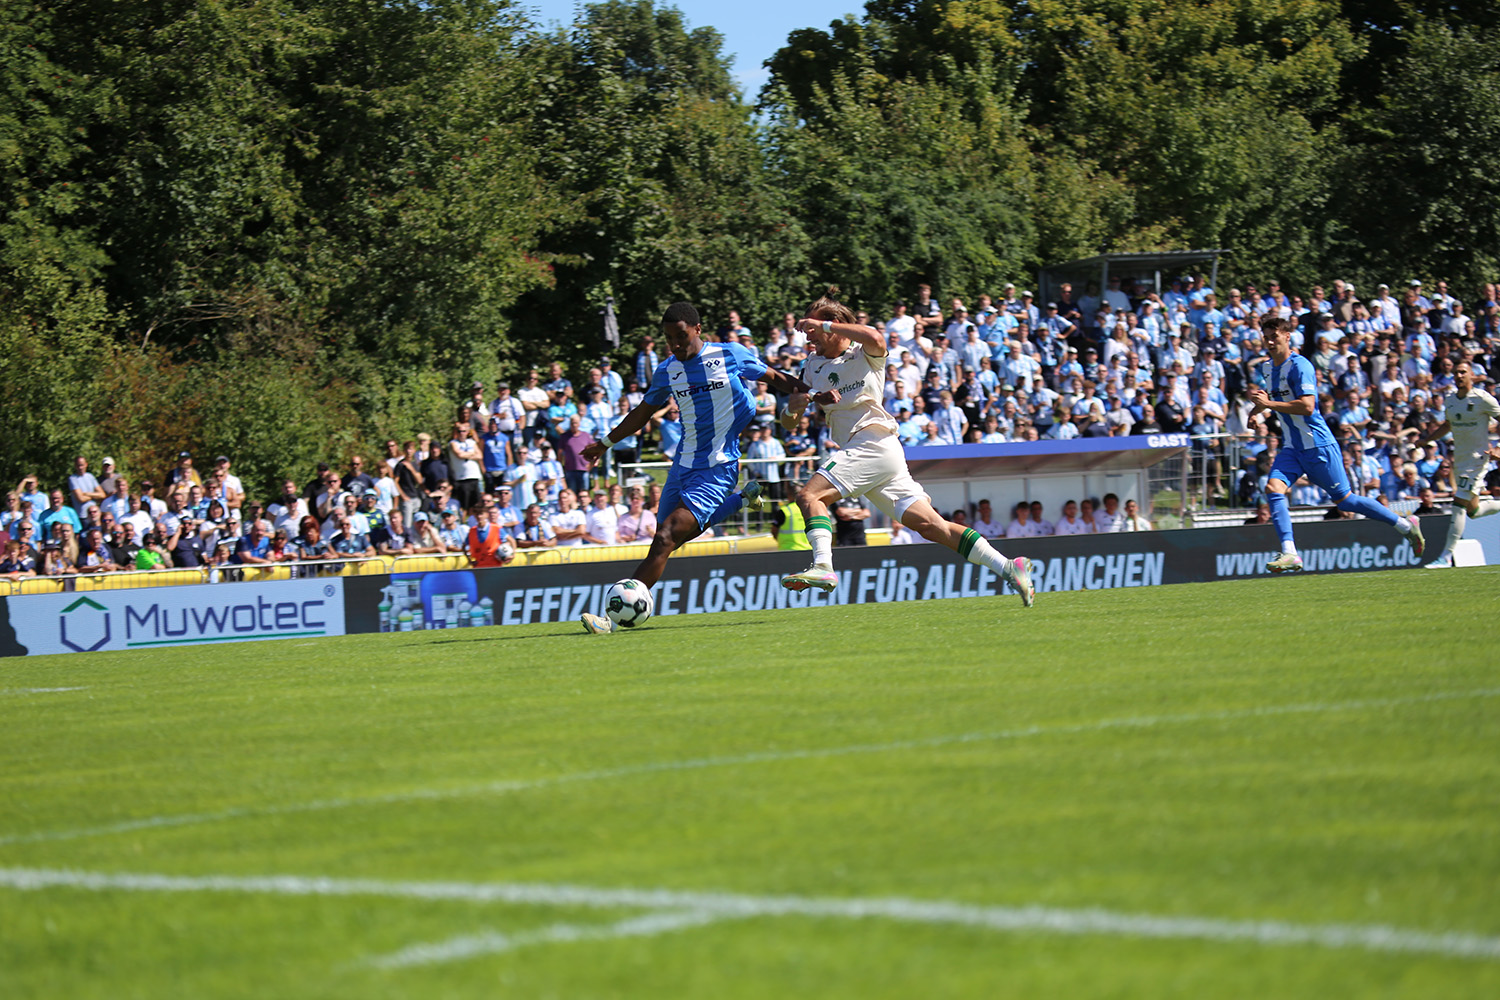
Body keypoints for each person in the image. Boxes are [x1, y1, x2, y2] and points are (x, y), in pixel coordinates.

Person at [775, 292, 1033, 606]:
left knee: (809, 496)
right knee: (932, 526)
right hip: (875, 455)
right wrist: (793, 408)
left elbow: (875, 336)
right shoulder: (812, 365)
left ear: (834, 325)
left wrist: (823, 323)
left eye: (813, 328)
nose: (808, 336)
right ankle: (1008, 566)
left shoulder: (864, 352)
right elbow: (789, 423)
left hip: (872, 442)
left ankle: (823, 566)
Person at [579, 302, 809, 633]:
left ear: (698, 329)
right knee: (670, 540)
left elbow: (775, 378)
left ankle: (611, 620)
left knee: (666, 537)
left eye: (681, 336)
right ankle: (742, 499)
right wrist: (605, 443)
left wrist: (814, 394)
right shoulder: (667, 370)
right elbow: (643, 412)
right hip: (682, 465)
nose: (675, 344)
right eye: (668, 338)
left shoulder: (729, 354)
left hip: (718, 467)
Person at [1247, 316, 1424, 572]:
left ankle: (1406, 525)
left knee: (1346, 501)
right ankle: (1290, 553)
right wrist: (1256, 411)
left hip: (1318, 445)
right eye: (1266, 337)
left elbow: (1307, 406)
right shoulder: (1267, 368)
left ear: (1287, 336)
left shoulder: (1300, 366)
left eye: (1274, 336)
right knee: (1273, 488)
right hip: (1292, 447)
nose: (1270, 342)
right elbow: (1273, 398)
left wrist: (1268, 405)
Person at [1414, 360, 1500, 567]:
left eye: (1463, 372)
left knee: (1458, 505)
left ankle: (1445, 556)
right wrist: (1427, 440)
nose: (1459, 376)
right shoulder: (1451, 400)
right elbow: (1448, 425)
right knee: (1473, 511)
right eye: (1456, 373)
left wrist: (1498, 448)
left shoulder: (1482, 398)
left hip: (1477, 461)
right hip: (1460, 461)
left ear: (1471, 375)